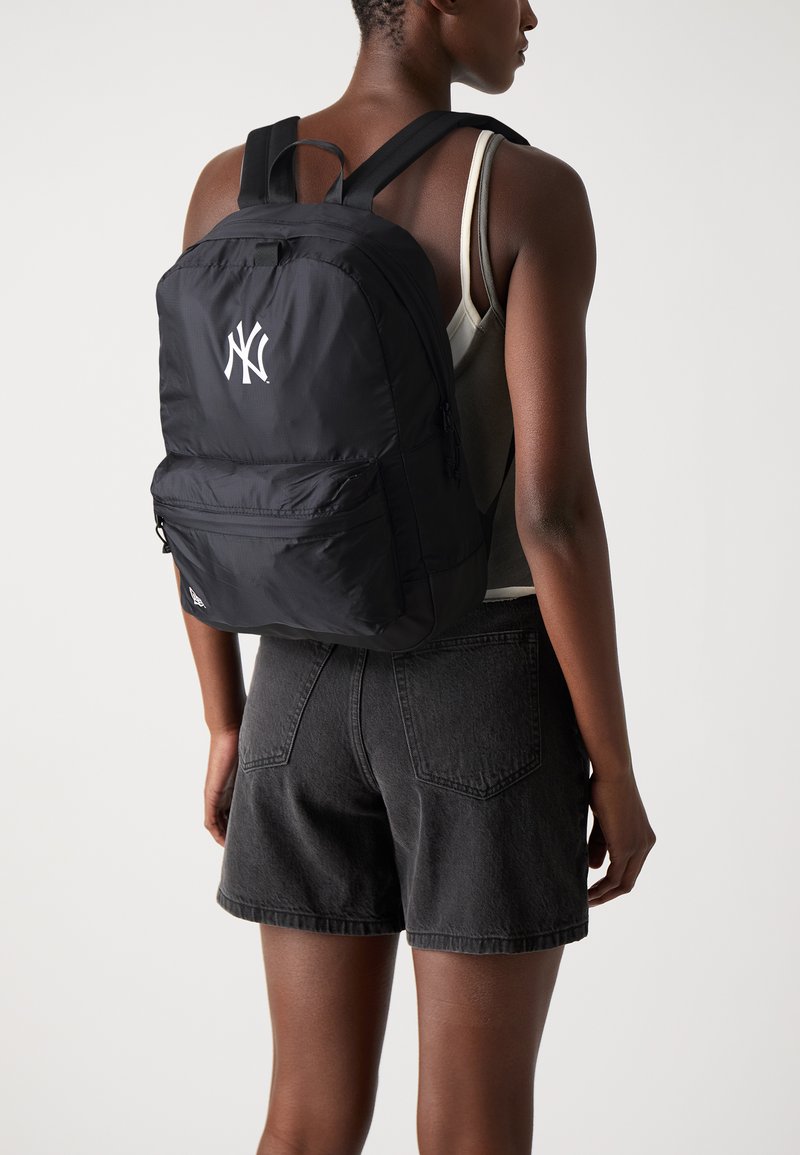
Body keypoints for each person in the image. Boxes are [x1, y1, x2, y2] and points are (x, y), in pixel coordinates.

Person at [169, 2, 656, 1151]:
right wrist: (613, 764)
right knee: (472, 1133)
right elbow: (549, 512)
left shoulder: (227, 187)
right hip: (476, 694)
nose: (529, 14)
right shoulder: (521, 194)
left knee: (303, 1119)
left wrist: (224, 720)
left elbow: (204, 475)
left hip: (291, 691)